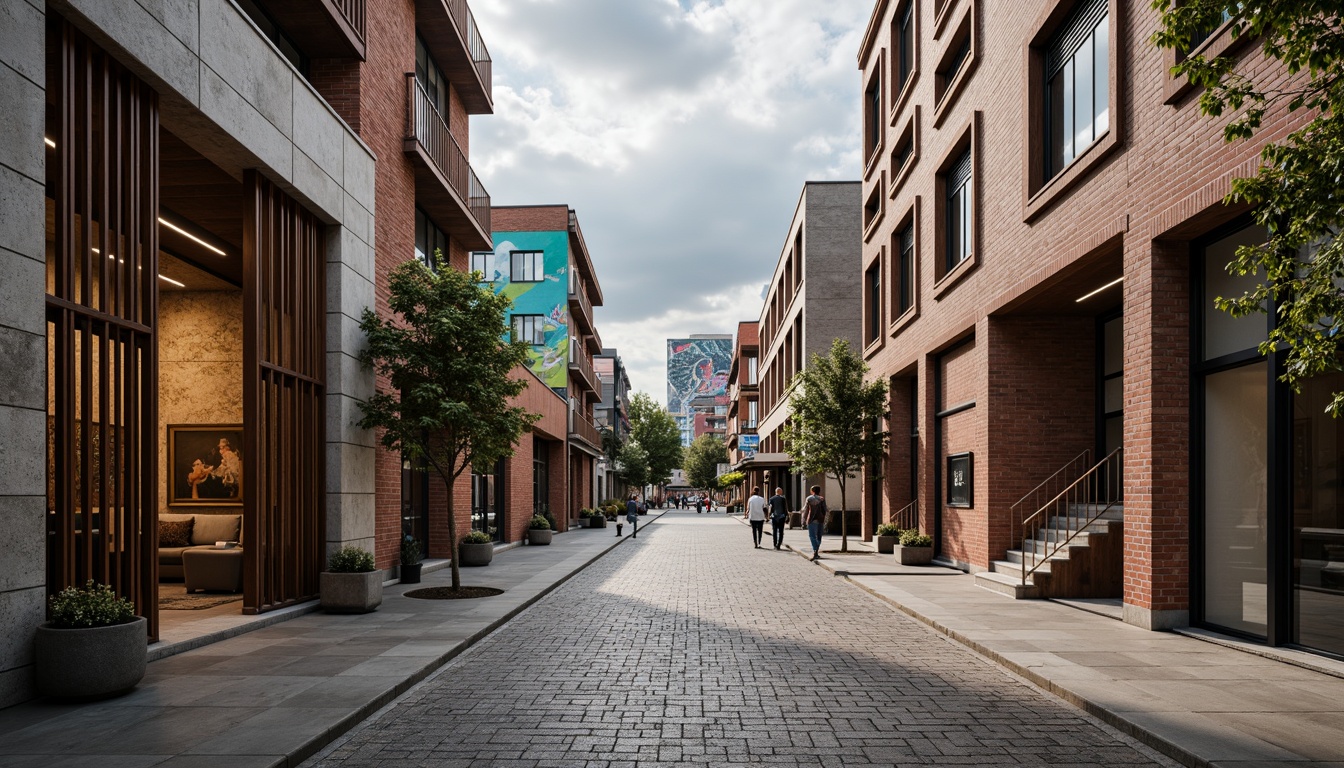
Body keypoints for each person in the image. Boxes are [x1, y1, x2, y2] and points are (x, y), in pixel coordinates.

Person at [803, 485, 827, 561]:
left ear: (812, 491)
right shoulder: (822, 499)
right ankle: (816, 551)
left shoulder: (809, 499)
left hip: (811, 519)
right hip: (820, 519)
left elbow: (806, 510)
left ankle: (815, 549)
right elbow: (825, 509)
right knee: (819, 536)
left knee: (812, 536)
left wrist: (803, 519)